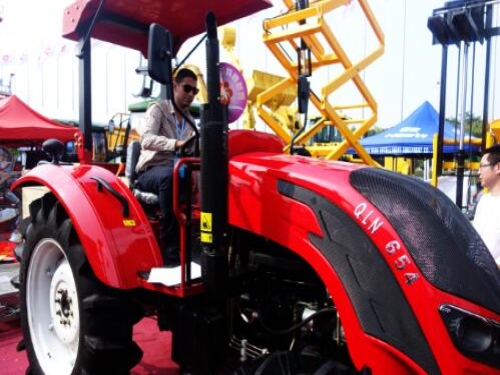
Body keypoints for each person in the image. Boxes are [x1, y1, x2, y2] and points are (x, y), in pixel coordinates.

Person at [135, 68, 198, 265]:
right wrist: (174, 144)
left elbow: (194, 150)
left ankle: (201, 243)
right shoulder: (158, 109)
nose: (190, 94)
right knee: (169, 178)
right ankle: (171, 246)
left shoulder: (190, 120)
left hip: (178, 170)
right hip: (151, 171)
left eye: (194, 92)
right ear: (175, 86)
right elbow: (146, 139)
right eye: (187, 89)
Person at [473, 144, 500, 268]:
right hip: (478, 275)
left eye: (482, 167)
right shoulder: (484, 200)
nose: (479, 172)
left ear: (498, 167)